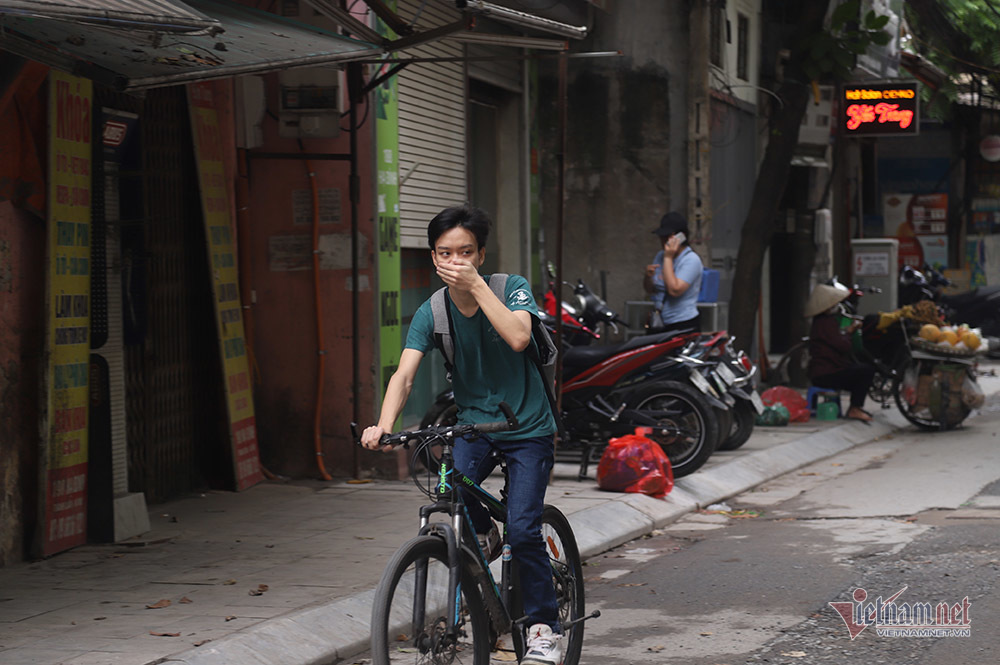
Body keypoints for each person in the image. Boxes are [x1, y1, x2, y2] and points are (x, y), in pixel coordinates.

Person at [361, 204, 562, 665]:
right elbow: (404, 375)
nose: (456, 261)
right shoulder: (431, 312)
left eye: (465, 252)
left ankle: (543, 629)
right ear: (433, 258)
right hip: (474, 426)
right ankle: (484, 540)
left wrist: (474, 286)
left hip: (527, 428)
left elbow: (517, 337)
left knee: (524, 528)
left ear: (481, 254)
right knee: (451, 495)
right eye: (446, 253)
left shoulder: (510, 289)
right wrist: (384, 425)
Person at [805, 283, 876, 423]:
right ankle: (855, 409)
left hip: (825, 370)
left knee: (860, 371)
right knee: (866, 371)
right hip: (827, 373)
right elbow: (843, 345)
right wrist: (850, 332)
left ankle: (856, 407)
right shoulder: (826, 323)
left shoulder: (821, 322)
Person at [643, 211, 703, 335]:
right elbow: (651, 289)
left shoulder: (691, 260)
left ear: (681, 237)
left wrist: (668, 258)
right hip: (660, 322)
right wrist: (647, 277)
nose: (663, 240)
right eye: (661, 236)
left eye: (668, 236)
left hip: (682, 323)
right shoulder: (660, 256)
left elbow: (674, 290)